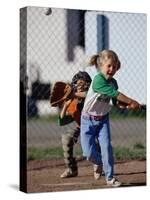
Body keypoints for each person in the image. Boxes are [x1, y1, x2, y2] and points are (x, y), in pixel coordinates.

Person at [80, 50, 141, 187]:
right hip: (87, 119)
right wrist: (131, 101)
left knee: (106, 147)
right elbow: (115, 94)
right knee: (88, 153)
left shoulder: (114, 82)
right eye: (108, 66)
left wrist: (126, 106)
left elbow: (115, 101)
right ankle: (98, 163)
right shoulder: (98, 80)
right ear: (101, 66)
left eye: (114, 66)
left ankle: (110, 177)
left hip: (102, 120)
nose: (111, 69)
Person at [59, 71, 102, 179]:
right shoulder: (73, 99)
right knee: (66, 139)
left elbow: (88, 95)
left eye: (82, 84)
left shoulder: (92, 95)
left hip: (94, 125)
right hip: (80, 125)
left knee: (95, 142)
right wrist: (65, 105)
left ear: (88, 85)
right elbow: (62, 118)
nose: (79, 86)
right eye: (77, 84)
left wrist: (74, 95)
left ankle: (99, 164)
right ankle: (71, 169)